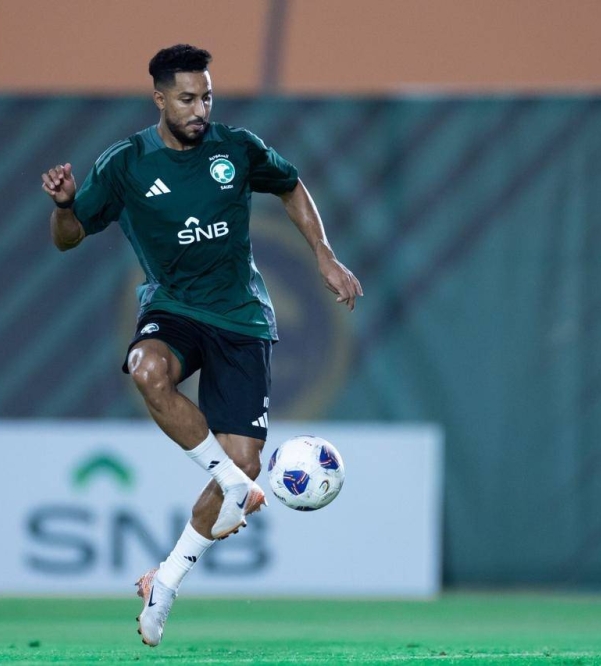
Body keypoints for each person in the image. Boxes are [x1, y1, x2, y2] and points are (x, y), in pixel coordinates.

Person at [40, 44, 362, 647]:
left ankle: (164, 582)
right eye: (187, 98)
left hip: (242, 318)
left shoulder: (235, 148)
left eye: (207, 96)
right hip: (174, 308)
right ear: (159, 99)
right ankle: (234, 486)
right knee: (146, 369)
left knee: (244, 465)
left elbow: (291, 186)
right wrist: (62, 207)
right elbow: (69, 236)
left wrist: (324, 253)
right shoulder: (126, 163)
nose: (200, 109)